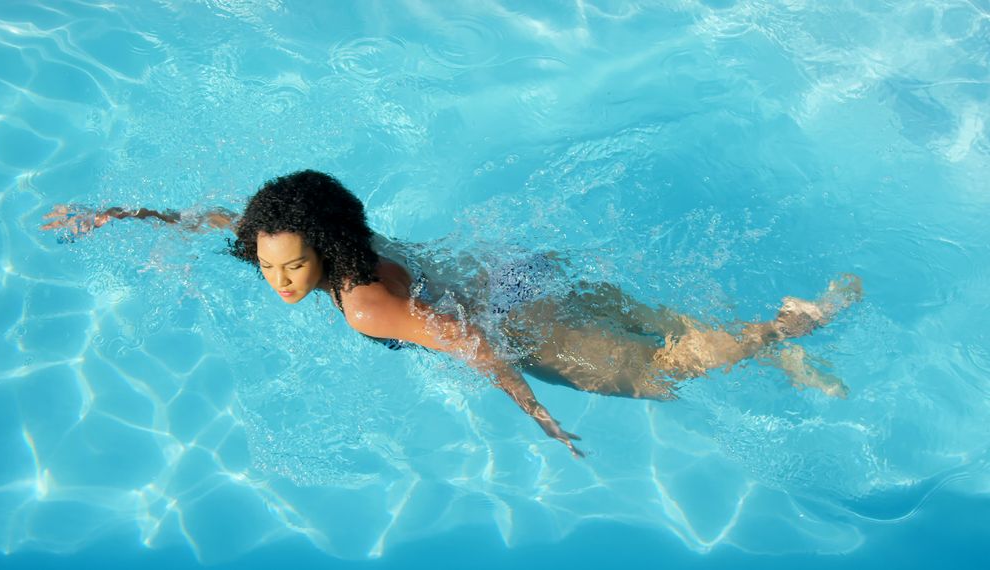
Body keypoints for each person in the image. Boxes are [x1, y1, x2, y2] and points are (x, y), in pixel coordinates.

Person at [42, 170, 862, 458]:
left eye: (294, 266)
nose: (281, 280)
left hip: (516, 323)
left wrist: (534, 407)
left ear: (325, 248)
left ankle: (792, 325)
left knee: (657, 371)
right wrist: (121, 216)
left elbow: (466, 342)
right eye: (269, 266)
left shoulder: (365, 307)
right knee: (654, 318)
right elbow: (226, 218)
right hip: (510, 271)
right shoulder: (336, 232)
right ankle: (768, 349)